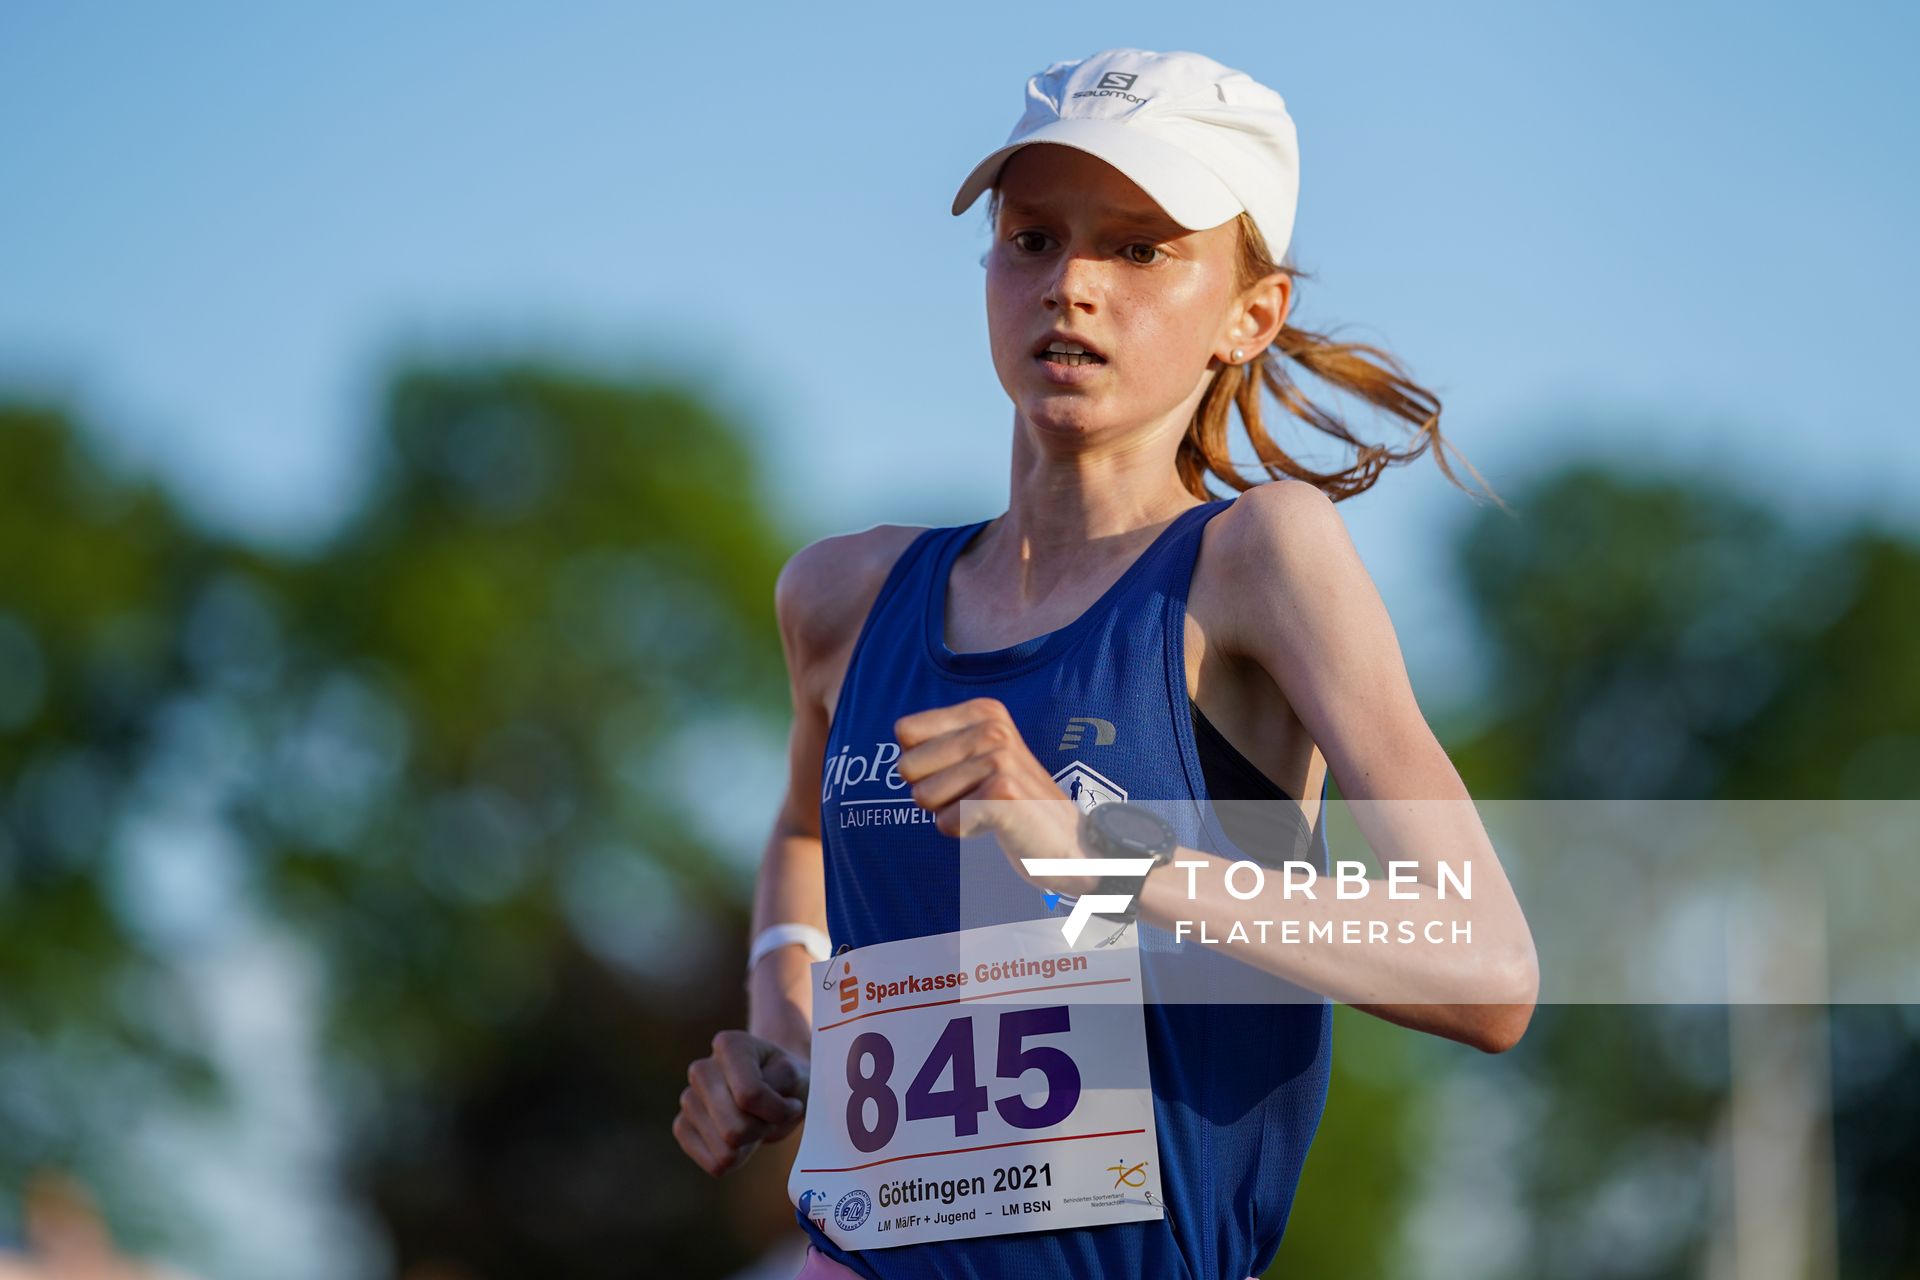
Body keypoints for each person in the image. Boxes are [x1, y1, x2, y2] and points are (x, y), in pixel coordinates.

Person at [673, 47, 1540, 1280]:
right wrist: (786, 1026)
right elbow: (804, 833)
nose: (1071, 284)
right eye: (1033, 238)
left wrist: (1098, 853)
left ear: (1252, 313)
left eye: (1138, 248)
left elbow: (1489, 970)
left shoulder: (1257, 562)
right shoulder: (840, 596)